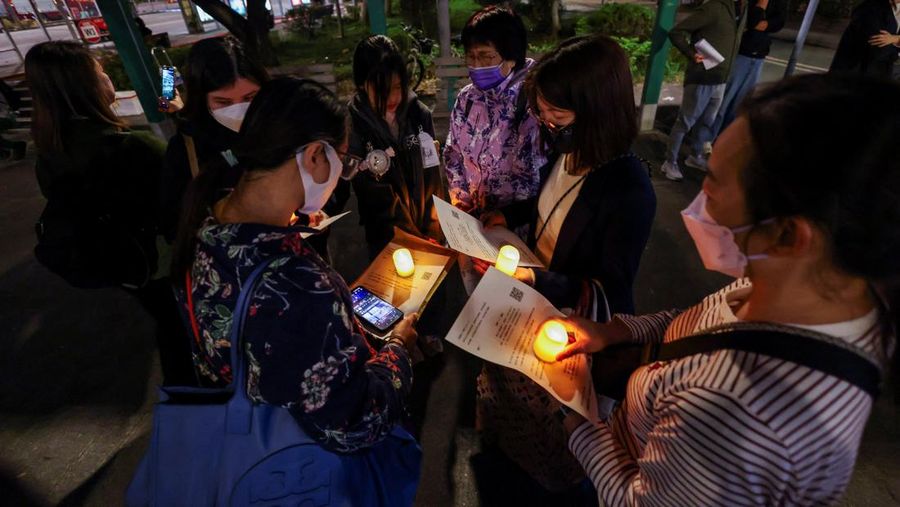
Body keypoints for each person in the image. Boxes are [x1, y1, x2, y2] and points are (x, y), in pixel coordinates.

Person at [552, 74, 898, 505]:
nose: (701, 194)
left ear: (788, 235)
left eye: (714, 181)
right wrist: (613, 332)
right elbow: (702, 325)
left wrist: (576, 416)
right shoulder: (813, 287)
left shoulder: (737, 412)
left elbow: (636, 501)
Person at [171, 76, 420, 452]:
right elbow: (354, 423)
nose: (341, 175)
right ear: (315, 155)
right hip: (309, 460)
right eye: (342, 160)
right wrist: (399, 349)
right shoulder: (299, 287)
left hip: (254, 436)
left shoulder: (203, 220)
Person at [474, 36, 656, 496]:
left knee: (555, 447)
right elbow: (549, 204)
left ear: (598, 110)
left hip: (567, 331)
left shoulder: (628, 187)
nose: (546, 123)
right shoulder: (569, 150)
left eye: (556, 113)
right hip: (530, 300)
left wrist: (535, 278)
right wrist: (509, 216)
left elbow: (611, 290)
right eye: (541, 112)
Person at [25, 41, 195, 385]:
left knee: (166, 320)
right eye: (100, 72)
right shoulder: (134, 147)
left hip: (118, 263)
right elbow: (188, 191)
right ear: (85, 86)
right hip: (163, 263)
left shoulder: (48, 154)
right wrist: (183, 120)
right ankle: (192, 392)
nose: (107, 77)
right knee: (181, 329)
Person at [159, 37, 268, 242]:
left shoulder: (284, 127)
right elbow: (174, 224)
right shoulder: (187, 148)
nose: (239, 111)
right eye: (223, 102)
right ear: (201, 99)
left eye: (250, 97)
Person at [345, 35, 444, 258]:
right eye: (382, 89)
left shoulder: (419, 115)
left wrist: (433, 231)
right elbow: (371, 193)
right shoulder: (354, 126)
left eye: (398, 86)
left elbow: (433, 178)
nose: (393, 97)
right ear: (361, 84)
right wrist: (409, 236)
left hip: (428, 233)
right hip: (387, 241)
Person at [443, 5, 545, 216]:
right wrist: (461, 200)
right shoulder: (467, 99)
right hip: (473, 219)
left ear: (511, 57)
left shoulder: (533, 100)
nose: (476, 65)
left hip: (515, 225)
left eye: (485, 56)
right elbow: (453, 154)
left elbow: (533, 175)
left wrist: (505, 216)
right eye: (470, 56)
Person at [661, 0, 745, 181]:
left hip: (721, 79)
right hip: (702, 77)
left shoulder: (738, 11)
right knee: (686, 122)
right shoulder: (715, 8)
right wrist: (691, 54)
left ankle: (695, 156)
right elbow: (676, 32)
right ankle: (669, 162)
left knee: (707, 122)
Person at [711, 0, 786, 137]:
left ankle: (724, 137)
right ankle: (707, 139)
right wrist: (762, 7)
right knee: (724, 100)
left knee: (740, 103)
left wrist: (763, 25)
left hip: (759, 54)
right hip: (741, 52)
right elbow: (752, 21)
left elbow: (779, 22)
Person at [831, 0, 900, 78]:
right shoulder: (870, 8)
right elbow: (878, 45)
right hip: (855, 69)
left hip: (880, 72)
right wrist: (895, 47)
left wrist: (895, 39)